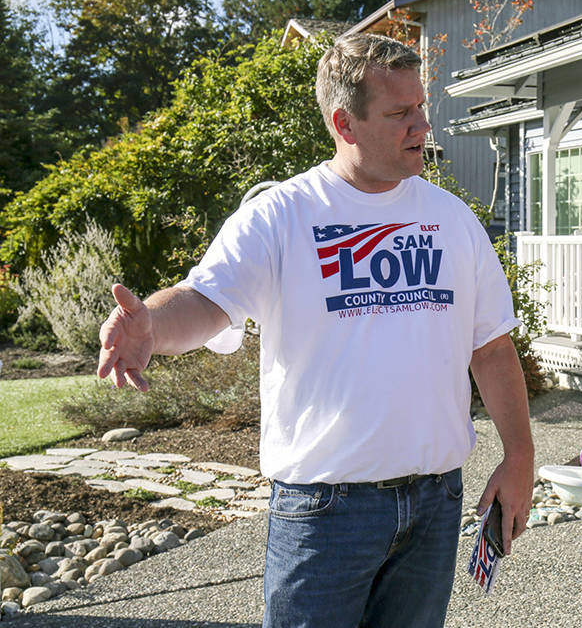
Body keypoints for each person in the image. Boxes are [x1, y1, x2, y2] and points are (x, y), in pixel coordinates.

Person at [93, 33, 534, 627]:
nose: (422, 126)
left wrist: (520, 457)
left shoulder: (452, 218)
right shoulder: (281, 215)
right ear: (344, 124)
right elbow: (206, 299)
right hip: (326, 514)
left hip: (434, 505)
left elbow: (492, 347)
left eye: (422, 107)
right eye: (400, 113)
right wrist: (153, 325)